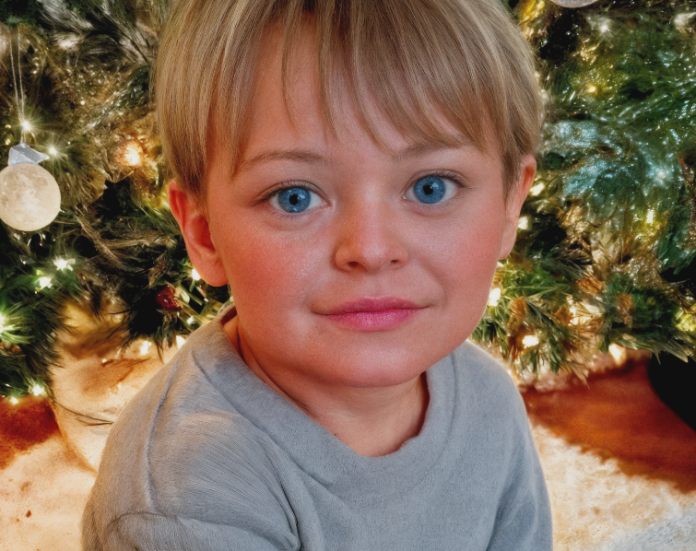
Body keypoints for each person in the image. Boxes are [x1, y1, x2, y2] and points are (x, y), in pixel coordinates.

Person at [82, 0, 552, 549]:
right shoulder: (184, 501)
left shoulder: (488, 397)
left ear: (509, 205)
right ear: (204, 234)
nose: (371, 250)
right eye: (295, 197)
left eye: (432, 187)